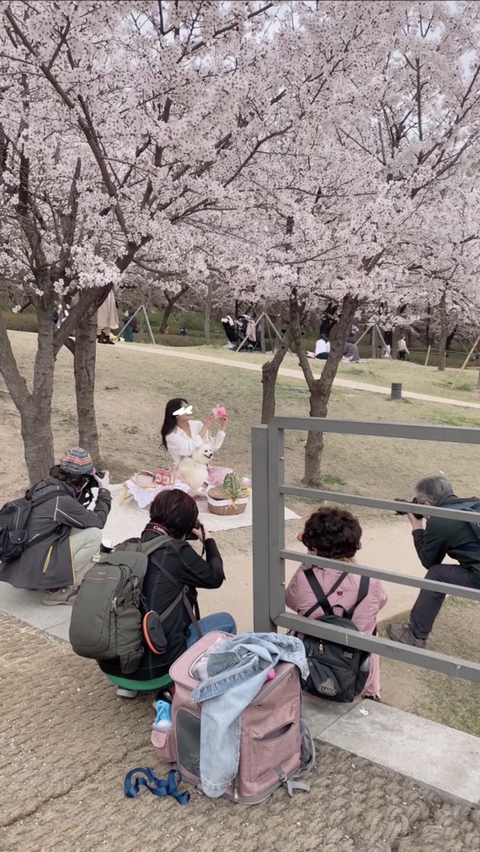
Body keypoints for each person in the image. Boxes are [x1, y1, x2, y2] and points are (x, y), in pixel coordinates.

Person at [99, 489, 236, 697]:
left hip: (115, 669)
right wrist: (208, 539)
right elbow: (215, 577)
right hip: (159, 672)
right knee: (226, 622)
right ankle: (171, 688)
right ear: (187, 523)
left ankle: (129, 686)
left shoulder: (127, 547)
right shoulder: (176, 550)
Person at [286, 507, 387, 700]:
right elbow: (380, 602)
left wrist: (307, 559)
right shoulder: (370, 581)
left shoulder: (304, 578)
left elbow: (290, 600)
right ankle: (371, 690)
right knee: (370, 627)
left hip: (312, 662)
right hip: (355, 662)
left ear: (314, 545)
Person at [0, 448, 111, 606]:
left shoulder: (45, 485)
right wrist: (104, 490)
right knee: (93, 535)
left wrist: (86, 485)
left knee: (78, 528)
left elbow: (76, 514)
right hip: (32, 568)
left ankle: (45, 578)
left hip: (22, 564)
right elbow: (98, 521)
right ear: (83, 478)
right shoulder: (61, 501)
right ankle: (56, 590)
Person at [387, 476, 480, 647]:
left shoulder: (440, 521)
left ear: (427, 505)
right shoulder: (474, 503)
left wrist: (417, 525)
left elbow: (428, 560)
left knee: (436, 575)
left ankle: (415, 637)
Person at [161, 398, 229, 486]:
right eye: (184, 409)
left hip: (203, 471)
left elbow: (212, 447)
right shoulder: (171, 436)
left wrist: (223, 427)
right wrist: (205, 428)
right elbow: (187, 450)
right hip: (184, 474)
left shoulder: (197, 425)